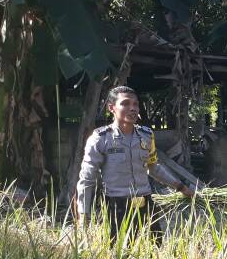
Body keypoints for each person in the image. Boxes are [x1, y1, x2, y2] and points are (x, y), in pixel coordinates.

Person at [76, 86, 195, 243]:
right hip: (116, 205)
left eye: (135, 104)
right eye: (125, 104)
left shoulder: (146, 135)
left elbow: (153, 167)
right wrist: (84, 213)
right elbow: (87, 178)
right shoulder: (100, 138)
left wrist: (180, 187)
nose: (132, 109)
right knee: (119, 254)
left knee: (154, 249)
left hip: (144, 203)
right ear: (112, 108)